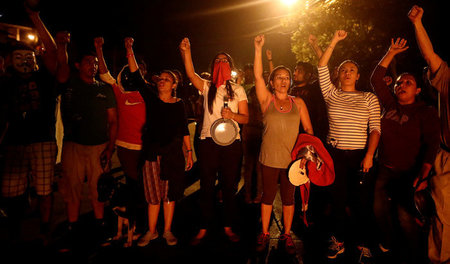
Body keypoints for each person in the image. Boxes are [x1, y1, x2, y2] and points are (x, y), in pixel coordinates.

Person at [371, 37, 440, 263]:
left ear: (418, 90)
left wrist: (424, 173)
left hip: (409, 173)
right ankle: (388, 242)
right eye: (399, 83)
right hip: (385, 169)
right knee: (378, 209)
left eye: (408, 83)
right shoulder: (389, 104)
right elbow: (376, 80)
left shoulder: (425, 112)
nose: (401, 85)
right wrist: (391, 52)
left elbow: (432, 143)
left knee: (405, 217)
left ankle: (415, 256)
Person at [317, 30, 381, 260]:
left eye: (351, 70)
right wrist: (333, 41)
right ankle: (339, 241)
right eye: (343, 69)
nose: (347, 72)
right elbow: (322, 66)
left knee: (362, 201)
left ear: (358, 76)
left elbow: (375, 129)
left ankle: (364, 243)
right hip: (334, 154)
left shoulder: (368, 98)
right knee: (337, 200)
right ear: (339, 74)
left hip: (360, 156)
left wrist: (369, 155)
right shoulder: (331, 94)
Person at [179, 37, 249, 245]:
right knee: (207, 186)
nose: (221, 64)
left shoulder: (238, 90)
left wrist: (233, 116)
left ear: (231, 66)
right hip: (208, 141)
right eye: (217, 61)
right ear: (212, 66)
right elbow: (191, 73)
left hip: (231, 144)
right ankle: (203, 227)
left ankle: (228, 226)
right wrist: (187, 52)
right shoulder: (207, 86)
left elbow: (246, 117)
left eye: (225, 61)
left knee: (229, 186)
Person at [0, 6, 59, 244]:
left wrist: (35, 18)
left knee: (45, 190)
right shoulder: (6, 83)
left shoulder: (43, 78)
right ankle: (14, 231)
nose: (24, 61)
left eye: (29, 57)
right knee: (10, 191)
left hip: (42, 140)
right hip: (14, 142)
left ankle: (45, 229)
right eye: (18, 58)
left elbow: (53, 51)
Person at [253, 34, 313, 255]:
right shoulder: (266, 100)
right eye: (278, 77)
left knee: (289, 199)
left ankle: (287, 234)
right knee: (267, 196)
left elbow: (309, 132)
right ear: (272, 82)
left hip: (291, 162)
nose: (283, 80)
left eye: (286, 77)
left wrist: (306, 157)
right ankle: (265, 233)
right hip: (269, 158)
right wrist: (258, 48)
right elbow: (258, 76)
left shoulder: (298, 103)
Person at [56, 34, 117, 250]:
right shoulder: (69, 84)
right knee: (71, 189)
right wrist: (62, 44)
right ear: (78, 65)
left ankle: (100, 227)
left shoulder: (104, 89)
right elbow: (60, 64)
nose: (93, 66)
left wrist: (110, 148)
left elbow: (113, 120)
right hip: (73, 144)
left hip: (99, 146)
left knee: (98, 189)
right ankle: (72, 229)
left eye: (96, 63)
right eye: (89, 62)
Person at [134, 59, 193, 247]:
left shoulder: (179, 104)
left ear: (174, 85)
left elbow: (184, 129)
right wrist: (129, 51)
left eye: (167, 79)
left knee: (169, 195)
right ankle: (151, 231)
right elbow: (136, 78)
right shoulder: (151, 99)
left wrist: (189, 152)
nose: (162, 80)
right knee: (152, 196)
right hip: (152, 155)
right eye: (161, 78)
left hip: (172, 156)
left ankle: (167, 230)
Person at [94, 36, 147, 244]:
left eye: (139, 72)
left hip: (143, 147)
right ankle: (130, 225)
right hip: (124, 147)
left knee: (141, 187)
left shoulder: (146, 93)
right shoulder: (120, 92)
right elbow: (104, 74)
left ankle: (141, 225)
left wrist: (129, 50)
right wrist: (99, 49)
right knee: (132, 187)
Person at [408, 5, 450, 263]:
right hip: (447, 163)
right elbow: (429, 55)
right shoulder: (447, 78)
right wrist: (417, 23)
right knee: (444, 220)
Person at [240, 63, 263, 204]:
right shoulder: (247, 107)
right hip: (249, 140)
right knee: (248, 168)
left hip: (260, 140)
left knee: (259, 169)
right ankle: (248, 193)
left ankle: (259, 193)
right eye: (252, 95)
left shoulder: (264, 107)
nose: (255, 97)